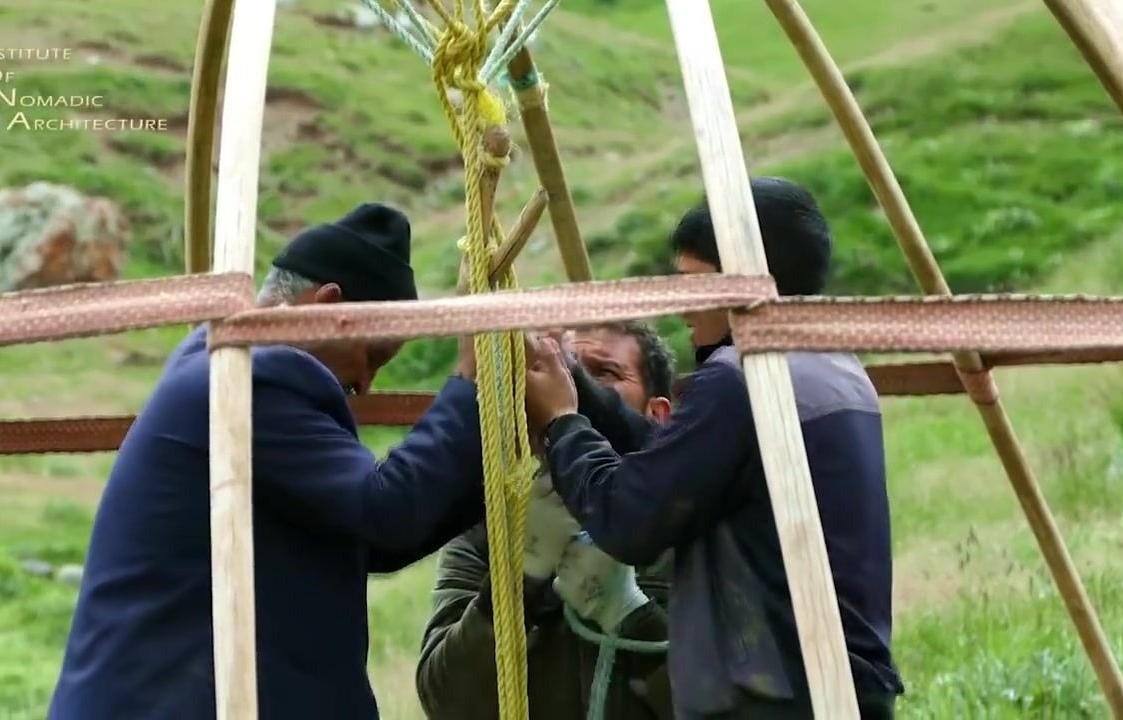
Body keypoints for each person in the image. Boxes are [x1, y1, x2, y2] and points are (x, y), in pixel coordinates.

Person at [48, 204, 488, 720]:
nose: (366, 385)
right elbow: (385, 511)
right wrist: (470, 383)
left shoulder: (220, 364)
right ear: (327, 306)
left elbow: (368, 537)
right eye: (373, 355)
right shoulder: (255, 377)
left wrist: (495, 475)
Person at [523, 177, 904, 719]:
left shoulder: (740, 379)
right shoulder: (838, 370)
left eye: (690, 287)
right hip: (841, 686)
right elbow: (682, 464)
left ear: (742, 282)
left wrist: (562, 421)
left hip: (771, 694)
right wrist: (579, 384)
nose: (683, 308)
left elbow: (628, 516)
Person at [416, 321, 680, 720]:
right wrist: (520, 578)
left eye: (603, 373)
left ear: (657, 415)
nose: (567, 390)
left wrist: (631, 617)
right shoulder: (487, 525)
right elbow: (445, 702)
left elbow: (736, 700)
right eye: (559, 368)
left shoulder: (688, 524)